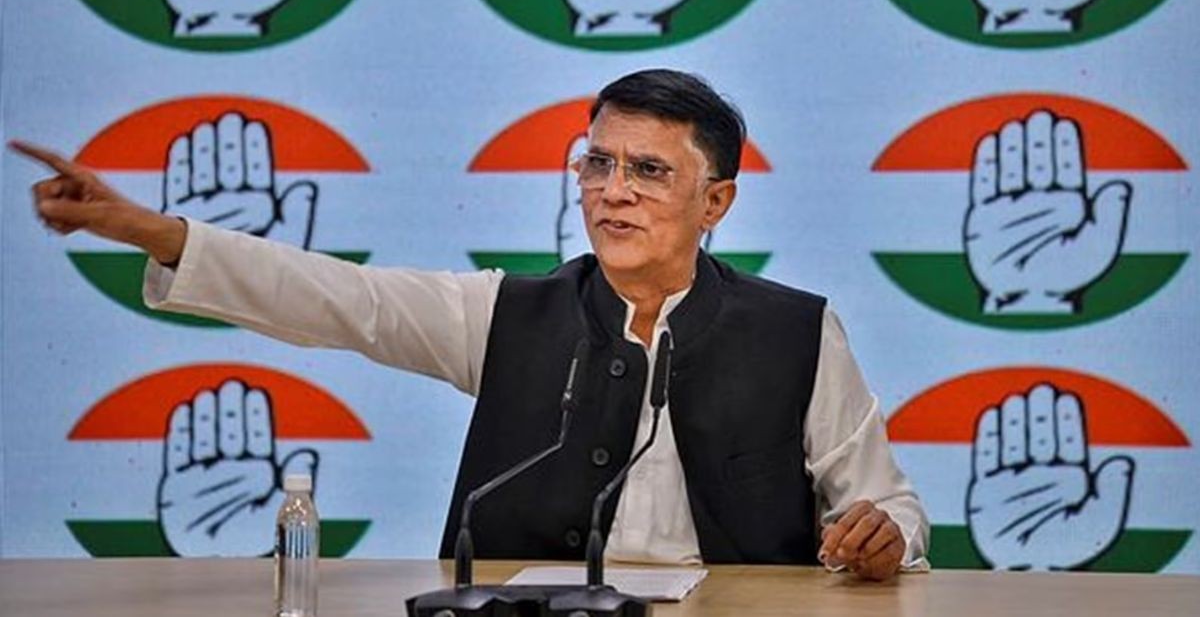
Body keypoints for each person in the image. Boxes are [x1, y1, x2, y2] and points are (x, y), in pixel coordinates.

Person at [12, 69, 928, 580]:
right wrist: (150, 230)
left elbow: (891, 507)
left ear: (715, 201)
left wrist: (882, 536)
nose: (613, 191)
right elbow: (339, 298)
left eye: (648, 171)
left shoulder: (798, 331)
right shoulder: (506, 314)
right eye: (597, 164)